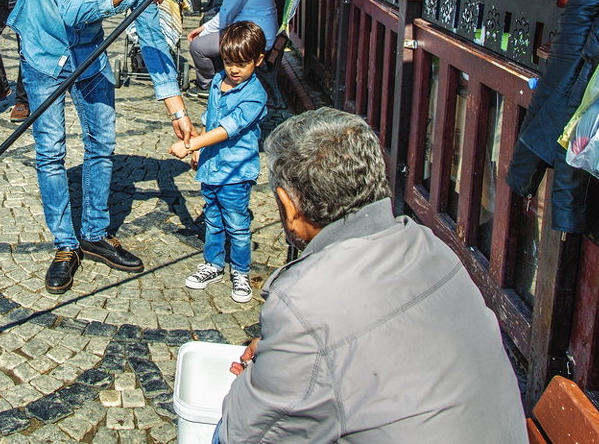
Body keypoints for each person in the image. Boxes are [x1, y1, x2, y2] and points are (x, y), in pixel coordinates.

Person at [215, 108, 528, 443]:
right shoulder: (431, 247)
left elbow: (241, 436)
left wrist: (260, 376)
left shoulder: (305, 302)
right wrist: (289, 357)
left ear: (289, 207)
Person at [7, 0, 193, 295]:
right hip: (44, 51)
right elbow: (72, 9)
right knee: (51, 151)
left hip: (88, 51)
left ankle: (94, 232)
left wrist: (177, 111)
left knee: (102, 143)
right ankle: (64, 245)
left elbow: (150, 37)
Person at [169, 21, 267, 303]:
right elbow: (211, 119)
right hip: (212, 167)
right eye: (228, 61)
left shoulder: (254, 95)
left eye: (242, 63)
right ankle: (213, 264)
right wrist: (201, 149)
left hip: (236, 171)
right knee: (212, 218)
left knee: (236, 223)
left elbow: (228, 127)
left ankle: (240, 270)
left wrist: (190, 145)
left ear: (258, 60)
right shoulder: (218, 80)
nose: (234, 69)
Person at [187, 0, 277, 94]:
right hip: (255, 33)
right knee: (210, 35)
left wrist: (204, 32)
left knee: (197, 47)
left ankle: (208, 86)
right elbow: (227, 12)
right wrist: (205, 27)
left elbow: (225, 16)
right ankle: (221, 78)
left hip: (253, 37)